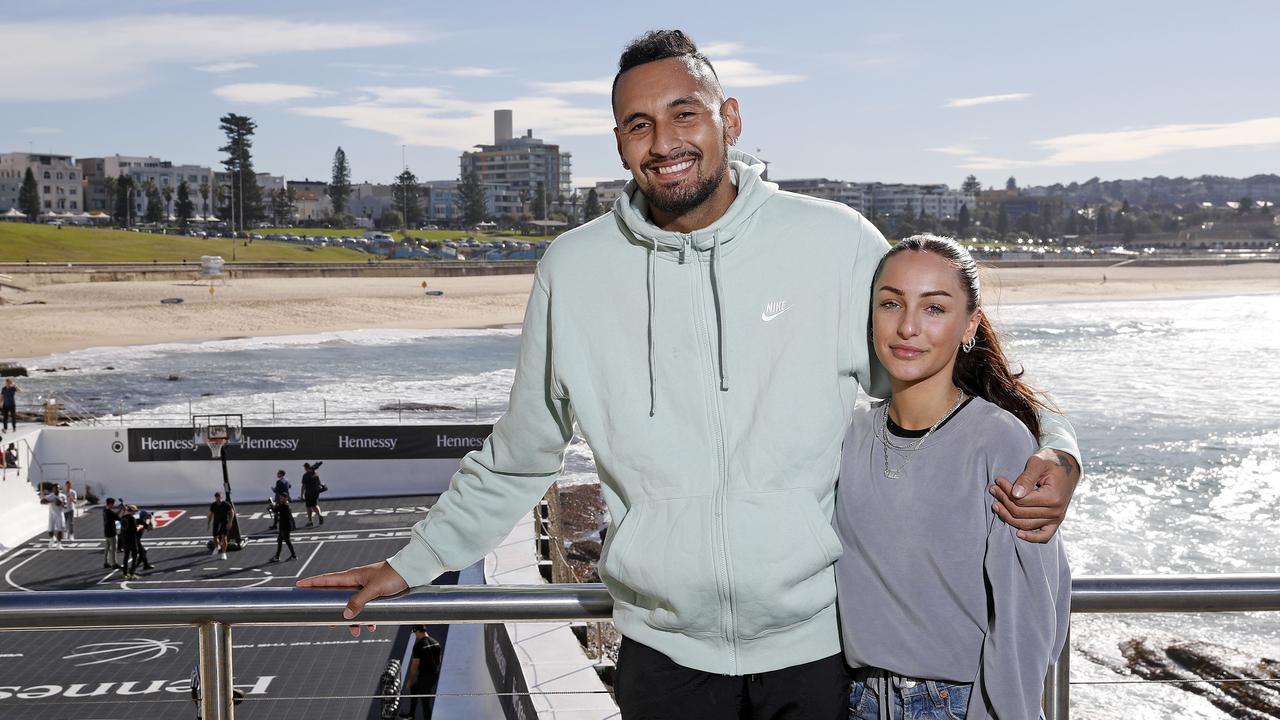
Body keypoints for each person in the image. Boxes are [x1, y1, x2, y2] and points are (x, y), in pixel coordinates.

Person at [300, 30, 1081, 719]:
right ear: (618, 142)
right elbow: (522, 451)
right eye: (639, 124)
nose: (664, 140)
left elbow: (944, 375)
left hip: (815, 649)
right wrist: (411, 563)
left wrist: (1057, 450)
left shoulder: (833, 241)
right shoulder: (572, 270)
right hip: (660, 655)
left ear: (728, 120)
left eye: (684, 113)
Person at [836, 235, 1071, 719]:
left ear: (970, 326)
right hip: (852, 701)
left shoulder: (999, 440)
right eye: (891, 303)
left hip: (957, 705)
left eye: (934, 308)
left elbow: (1026, 613)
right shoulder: (848, 430)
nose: (907, 327)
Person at [399, 625, 442, 719]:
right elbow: (439, 661)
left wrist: (410, 680)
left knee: (425, 701)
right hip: (433, 675)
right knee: (414, 689)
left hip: (424, 676)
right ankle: (411, 714)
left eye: (415, 633)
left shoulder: (419, 645)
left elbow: (415, 665)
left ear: (417, 631)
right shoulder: (436, 642)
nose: (415, 635)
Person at [269, 493, 297, 562]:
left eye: (282, 498)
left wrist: (272, 505)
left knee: (287, 541)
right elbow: (276, 509)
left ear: (286, 498)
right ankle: (277, 556)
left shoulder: (285, 506)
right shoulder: (284, 505)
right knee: (280, 541)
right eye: (280, 498)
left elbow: (275, 510)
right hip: (283, 526)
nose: (281, 499)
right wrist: (273, 506)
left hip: (285, 527)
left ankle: (293, 555)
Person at [208, 491, 234, 561]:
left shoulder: (226, 504)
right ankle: (217, 547)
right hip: (216, 523)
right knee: (215, 538)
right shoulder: (213, 505)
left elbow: (232, 512)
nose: (217, 499)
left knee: (224, 538)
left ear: (221, 497)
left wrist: (230, 522)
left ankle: (223, 553)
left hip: (224, 522)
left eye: (219, 497)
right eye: (216, 498)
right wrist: (209, 523)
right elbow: (210, 514)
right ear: (215, 498)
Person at [118, 504, 141, 579]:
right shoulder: (132, 518)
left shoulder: (123, 518)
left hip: (125, 540)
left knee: (126, 556)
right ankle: (132, 573)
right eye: (134, 511)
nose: (135, 513)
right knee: (134, 556)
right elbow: (135, 530)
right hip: (132, 540)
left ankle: (125, 572)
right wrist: (140, 527)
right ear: (132, 511)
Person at [41, 483, 67, 549]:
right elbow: (42, 501)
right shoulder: (50, 496)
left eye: (58, 488)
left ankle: (59, 544)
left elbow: (65, 506)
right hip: (51, 515)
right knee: (50, 530)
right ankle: (52, 539)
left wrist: (60, 503)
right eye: (55, 488)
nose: (57, 489)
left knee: (59, 529)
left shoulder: (63, 496)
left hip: (59, 515)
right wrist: (50, 501)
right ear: (53, 489)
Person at [301, 461, 324, 526]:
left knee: (309, 507)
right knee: (315, 505)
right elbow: (319, 483)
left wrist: (302, 494)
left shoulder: (305, 475)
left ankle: (310, 521)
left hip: (308, 493)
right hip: (316, 492)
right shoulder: (316, 474)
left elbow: (303, 486)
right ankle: (320, 515)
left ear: (306, 468)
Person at [102, 497, 121, 569]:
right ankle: (114, 563)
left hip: (106, 532)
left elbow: (115, 515)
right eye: (112, 504)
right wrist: (121, 510)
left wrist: (119, 510)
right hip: (112, 532)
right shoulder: (110, 512)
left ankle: (106, 562)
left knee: (107, 548)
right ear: (110, 504)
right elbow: (118, 518)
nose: (113, 505)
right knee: (113, 549)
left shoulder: (104, 510)